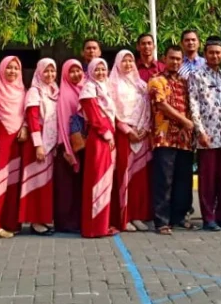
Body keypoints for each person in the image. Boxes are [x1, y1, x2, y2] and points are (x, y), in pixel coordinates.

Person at [188, 36, 221, 232]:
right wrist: (199, 131)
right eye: (211, 53)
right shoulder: (196, 76)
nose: (215, 56)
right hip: (207, 136)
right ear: (205, 54)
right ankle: (208, 217)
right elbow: (193, 105)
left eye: (218, 53)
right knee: (207, 180)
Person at [147, 45, 195, 235]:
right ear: (164, 59)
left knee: (183, 180)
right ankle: (161, 221)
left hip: (184, 139)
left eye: (178, 59)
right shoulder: (156, 80)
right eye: (172, 58)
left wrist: (188, 127)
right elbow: (161, 105)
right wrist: (185, 121)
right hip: (164, 138)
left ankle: (179, 217)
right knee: (164, 180)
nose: (175, 62)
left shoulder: (185, 82)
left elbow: (191, 106)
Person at [107, 49, 152, 232]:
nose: (127, 64)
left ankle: (137, 215)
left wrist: (144, 128)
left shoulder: (141, 85)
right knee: (124, 176)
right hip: (123, 136)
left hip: (142, 134)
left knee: (139, 179)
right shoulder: (112, 85)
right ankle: (124, 218)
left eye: (130, 60)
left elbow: (149, 109)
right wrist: (128, 130)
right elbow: (112, 113)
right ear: (118, 63)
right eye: (124, 61)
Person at [0, 56, 26, 238]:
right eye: (9, 67)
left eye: (16, 68)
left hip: (16, 141)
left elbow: (25, 113)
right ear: (1, 69)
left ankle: (10, 222)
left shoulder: (22, 90)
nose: (12, 71)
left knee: (12, 183)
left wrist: (25, 127)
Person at [79, 57, 119, 238]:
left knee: (106, 181)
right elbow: (93, 115)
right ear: (90, 71)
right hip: (98, 138)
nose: (101, 73)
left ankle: (103, 224)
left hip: (107, 136)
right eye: (97, 69)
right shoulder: (89, 88)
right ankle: (93, 227)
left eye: (103, 69)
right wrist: (106, 133)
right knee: (97, 181)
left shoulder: (105, 87)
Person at [20, 57, 59, 236]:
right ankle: (35, 221)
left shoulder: (54, 90)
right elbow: (32, 118)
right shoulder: (34, 92)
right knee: (36, 182)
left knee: (45, 184)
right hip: (38, 142)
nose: (49, 74)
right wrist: (38, 145)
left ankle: (43, 218)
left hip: (49, 141)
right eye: (46, 71)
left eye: (52, 71)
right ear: (39, 72)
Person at [53, 58, 87, 233]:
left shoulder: (85, 90)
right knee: (66, 187)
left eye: (78, 70)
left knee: (79, 185)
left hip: (82, 145)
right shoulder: (63, 94)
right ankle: (65, 223)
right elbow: (61, 123)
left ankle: (78, 221)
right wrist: (67, 149)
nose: (76, 74)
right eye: (71, 71)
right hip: (65, 147)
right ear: (65, 74)